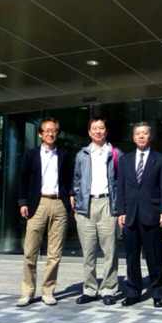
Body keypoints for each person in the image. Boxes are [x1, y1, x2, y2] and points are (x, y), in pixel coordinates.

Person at [16, 118, 72, 307]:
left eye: (53, 130)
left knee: (55, 253)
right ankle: (27, 292)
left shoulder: (64, 154)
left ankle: (48, 291)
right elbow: (23, 179)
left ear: (57, 133)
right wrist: (23, 202)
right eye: (47, 130)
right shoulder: (31, 155)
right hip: (37, 203)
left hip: (59, 204)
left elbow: (68, 179)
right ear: (40, 134)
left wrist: (70, 196)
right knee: (30, 251)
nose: (50, 133)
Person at [115, 122, 162, 308]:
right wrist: (121, 211)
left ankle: (158, 293)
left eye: (145, 133)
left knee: (155, 256)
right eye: (138, 133)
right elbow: (120, 187)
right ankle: (133, 292)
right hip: (130, 215)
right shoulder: (125, 160)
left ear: (150, 136)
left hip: (151, 213)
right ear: (133, 137)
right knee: (132, 257)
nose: (141, 136)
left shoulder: (161, 159)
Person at [71, 118, 122, 306]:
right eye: (94, 128)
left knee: (110, 251)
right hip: (86, 206)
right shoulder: (82, 155)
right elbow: (76, 179)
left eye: (101, 128)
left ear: (106, 131)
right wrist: (75, 197)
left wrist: (120, 206)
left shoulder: (115, 153)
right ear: (89, 132)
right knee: (88, 252)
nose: (98, 131)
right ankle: (90, 289)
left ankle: (109, 289)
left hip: (108, 203)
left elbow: (122, 180)